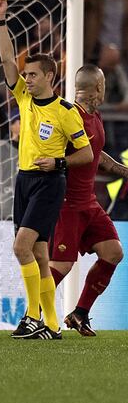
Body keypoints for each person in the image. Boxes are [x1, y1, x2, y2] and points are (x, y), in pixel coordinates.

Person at [0, 0, 93, 339]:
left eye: (33, 74)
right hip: (25, 180)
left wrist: (59, 160)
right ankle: (51, 323)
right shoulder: (23, 97)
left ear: (50, 75)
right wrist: (0, 21)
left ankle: (32, 315)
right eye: (26, 74)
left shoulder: (66, 111)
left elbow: (87, 154)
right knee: (38, 251)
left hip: (51, 182)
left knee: (21, 247)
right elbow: (7, 57)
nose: (27, 79)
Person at [49, 64, 126, 336]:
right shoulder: (69, 117)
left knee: (114, 252)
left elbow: (95, 152)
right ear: (99, 88)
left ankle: (80, 313)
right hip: (68, 205)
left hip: (89, 203)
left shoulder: (95, 116)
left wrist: (122, 170)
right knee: (61, 266)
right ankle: (32, 315)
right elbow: (56, 156)